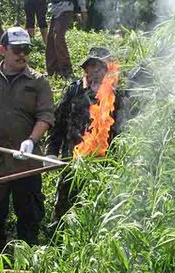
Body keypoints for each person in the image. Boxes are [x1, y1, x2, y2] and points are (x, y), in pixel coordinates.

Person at [0, 27, 54, 259]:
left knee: (29, 217)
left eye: (26, 50)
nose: (22, 55)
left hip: (26, 166)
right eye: (16, 50)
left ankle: (30, 263)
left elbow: (46, 115)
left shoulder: (38, 82)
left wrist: (31, 141)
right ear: (2, 50)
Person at [48, 47, 124, 222]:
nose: (94, 72)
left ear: (108, 69)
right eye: (90, 67)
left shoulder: (115, 96)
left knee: (99, 214)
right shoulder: (74, 91)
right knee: (64, 215)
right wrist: (51, 151)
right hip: (72, 163)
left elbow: (121, 132)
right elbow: (58, 124)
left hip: (103, 167)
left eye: (99, 67)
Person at [46, 0, 87, 78]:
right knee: (50, 39)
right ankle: (52, 70)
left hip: (66, 8)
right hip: (55, 10)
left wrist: (83, 13)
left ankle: (66, 69)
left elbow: (82, 2)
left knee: (58, 37)